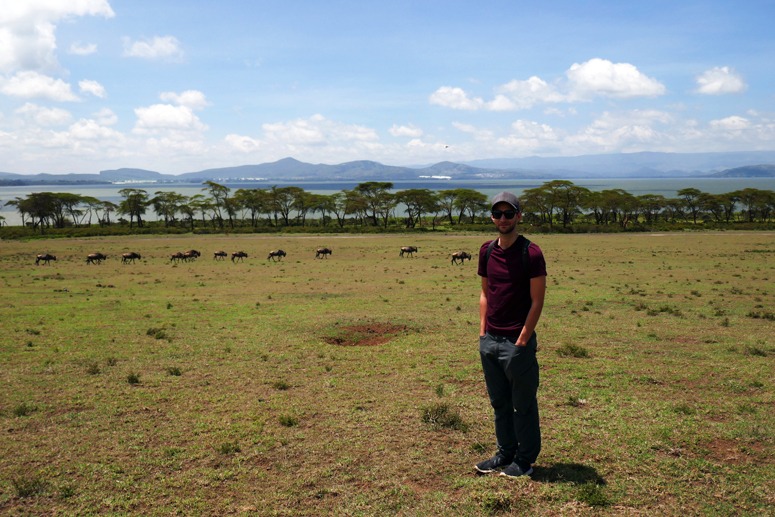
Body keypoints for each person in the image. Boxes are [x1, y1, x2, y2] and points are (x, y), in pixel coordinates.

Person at [475, 191, 547, 479]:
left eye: (509, 213)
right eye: (498, 213)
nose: (502, 218)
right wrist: (482, 333)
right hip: (490, 340)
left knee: (523, 404)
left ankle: (525, 460)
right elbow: (484, 293)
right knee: (499, 403)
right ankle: (505, 454)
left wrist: (524, 338)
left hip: (517, 343)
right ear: (492, 217)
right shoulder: (487, 251)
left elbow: (537, 301)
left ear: (519, 216)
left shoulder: (531, 253)